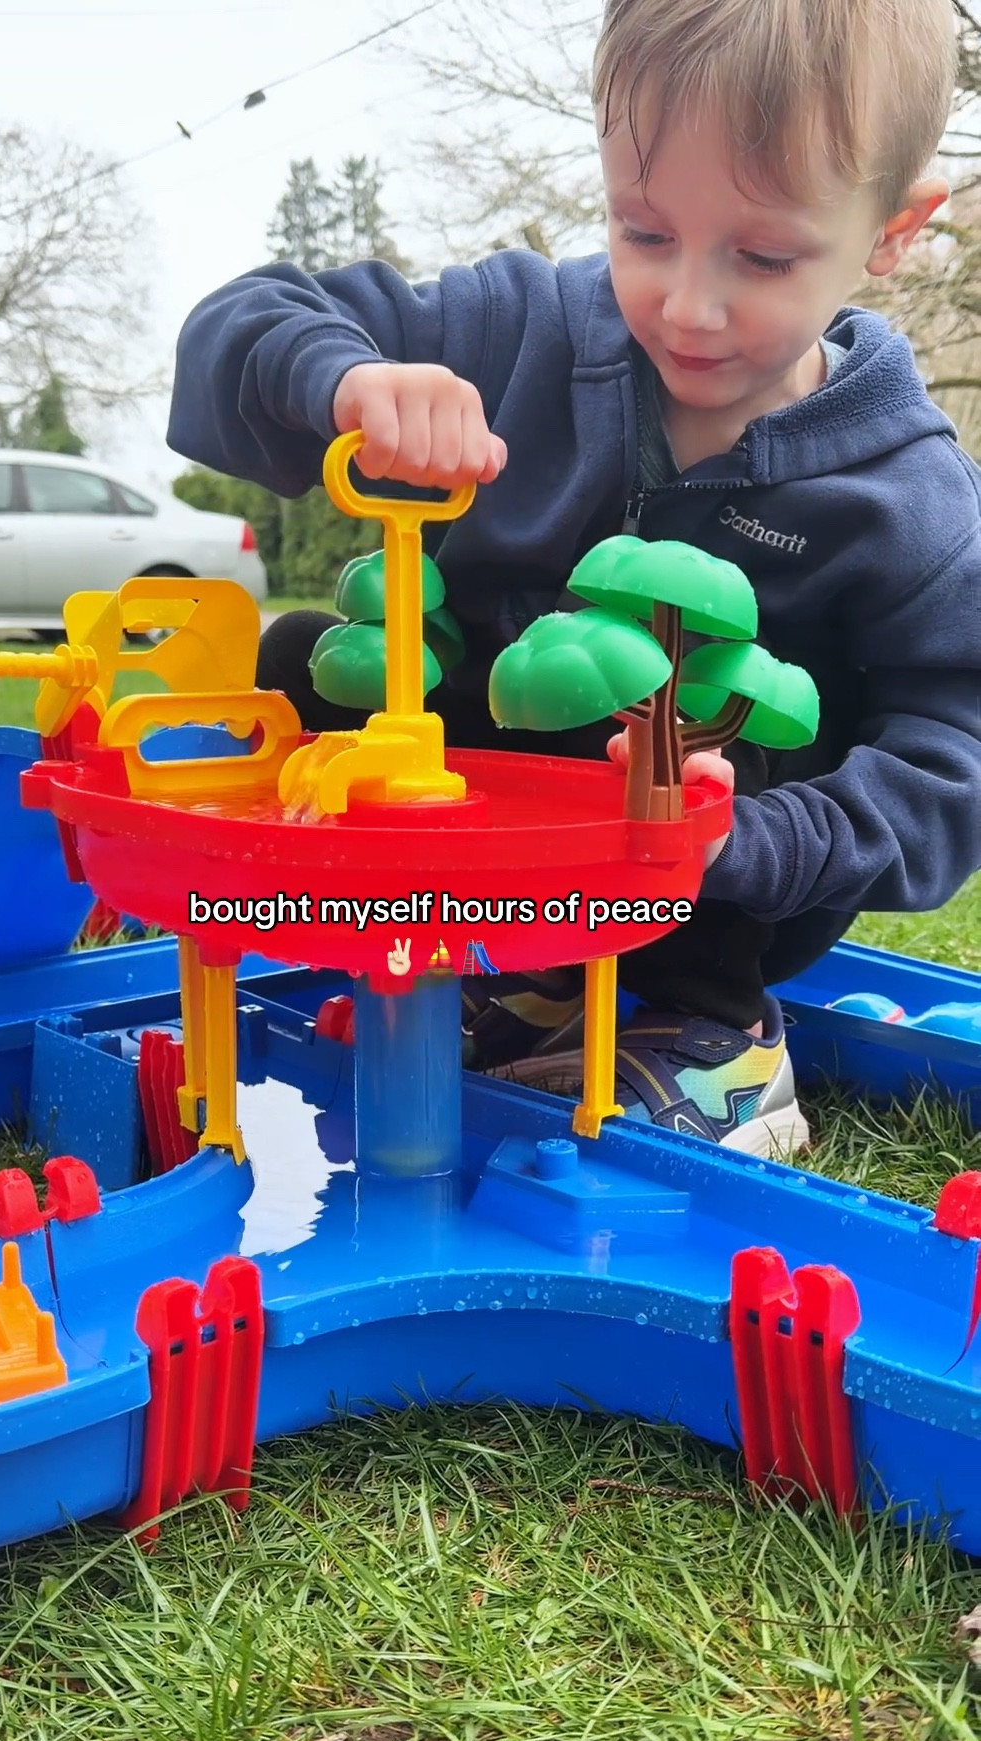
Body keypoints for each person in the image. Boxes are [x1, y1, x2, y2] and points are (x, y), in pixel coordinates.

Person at [166, 0, 981, 1157]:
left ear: (892, 232)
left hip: (719, 869)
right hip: (497, 839)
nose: (686, 307)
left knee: (713, 694)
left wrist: (765, 837)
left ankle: (719, 1036)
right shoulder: (520, 331)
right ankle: (528, 973)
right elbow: (244, 324)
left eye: (760, 255)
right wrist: (347, 380)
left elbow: (956, 758)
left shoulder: (909, 497)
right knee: (308, 657)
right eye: (644, 231)